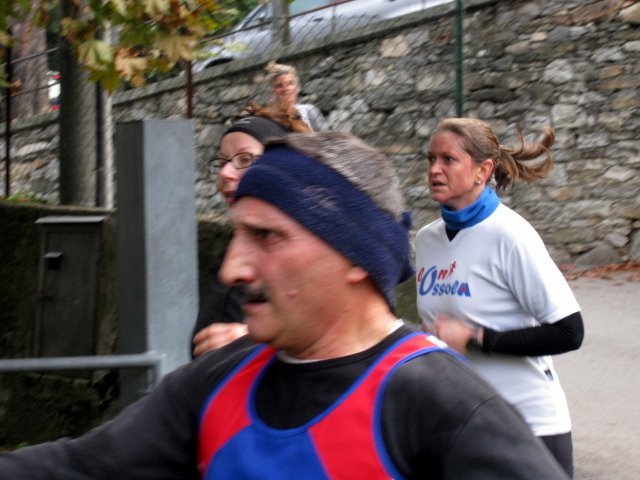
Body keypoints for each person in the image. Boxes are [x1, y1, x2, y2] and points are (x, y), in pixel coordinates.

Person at [0, 132, 570, 479]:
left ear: (355, 256)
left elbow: (568, 328)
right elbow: (79, 468)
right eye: (237, 234)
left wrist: (482, 340)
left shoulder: (443, 404)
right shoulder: (216, 380)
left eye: (267, 237)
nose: (232, 269)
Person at [415, 117, 584, 478]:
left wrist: (476, 338)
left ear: (483, 170)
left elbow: (570, 332)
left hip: (530, 429)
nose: (434, 169)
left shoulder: (510, 235)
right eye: (431, 159)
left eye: (448, 159)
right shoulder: (427, 240)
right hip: (462, 428)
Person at [192, 114, 298, 357]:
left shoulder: (308, 248)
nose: (225, 173)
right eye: (222, 162)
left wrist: (253, 341)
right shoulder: (230, 251)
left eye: (245, 159)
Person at [261, 60, 328, 131]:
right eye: (279, 85)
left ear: (297, 86)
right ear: (273, 90)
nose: (286, 89)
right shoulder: (267, 117)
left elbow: (325, 136)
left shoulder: (309, 111)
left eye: (290, 83)